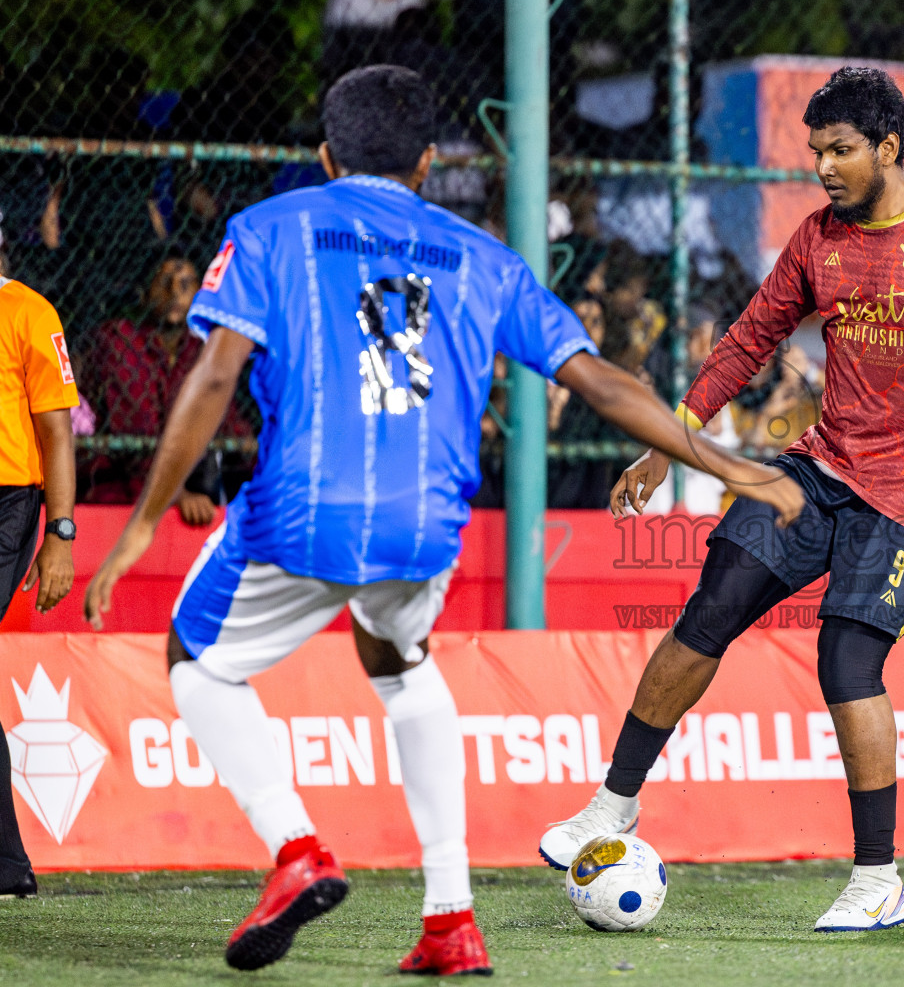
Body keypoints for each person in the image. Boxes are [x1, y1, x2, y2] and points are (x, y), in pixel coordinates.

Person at [81, 65, 801, 976]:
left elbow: (216, 375)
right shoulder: (485, 257)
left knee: (195, 664)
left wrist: (145, 521)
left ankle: (296, 851)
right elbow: (604, 381)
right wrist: (731, 463)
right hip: (428, 527)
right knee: (398, 660)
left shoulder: (270, 228)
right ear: (429, 162)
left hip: (302, 513)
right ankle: (451, 917)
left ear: (323, 154)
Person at [538, 66, 904, 930]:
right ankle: (613, 805)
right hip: (822, 465)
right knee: (711, 606)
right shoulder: (817, 239)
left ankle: (878, 880)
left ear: (888, 147)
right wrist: (667, 444)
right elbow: (749, 340)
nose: (823, 165)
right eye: (816, 150)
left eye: (841, 150)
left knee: (846, 663)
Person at [0, 273, 79, 898]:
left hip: (8, 503)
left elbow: (57, 430)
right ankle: (8, 864)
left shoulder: (26, 309)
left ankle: (7, 862)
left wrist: (60, 533)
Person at [84, 249, 253, 522]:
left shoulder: (200, 349)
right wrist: (176, 494)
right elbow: (135, 433)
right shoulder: (120, 340)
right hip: (117, 493)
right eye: (165, 282)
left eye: (186, 283)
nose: (176, 291)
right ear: (145, 292)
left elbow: (227, 420)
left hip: (182, 487)